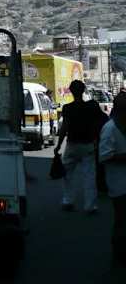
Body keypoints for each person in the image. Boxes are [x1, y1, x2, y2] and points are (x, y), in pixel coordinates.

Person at [54, 80, 109, 213]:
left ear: (71, 92)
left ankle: (68, 201)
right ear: (83, 91)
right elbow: (103, 120)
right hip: (88, 145)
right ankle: (90, 205)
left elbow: (64, 128)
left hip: (72, 144)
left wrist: (59, 145)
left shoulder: (68, 108)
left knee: (67, 174)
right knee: (89, 176)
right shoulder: (92, 106)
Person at [100, 92, 126, 266]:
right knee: (121, 220)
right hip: (118, 183)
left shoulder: (122, 125)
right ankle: (119, 252)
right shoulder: (110, 129)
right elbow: (104, 156)